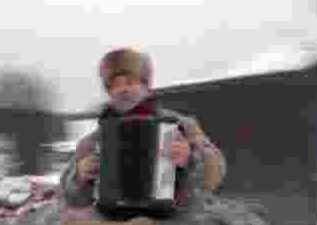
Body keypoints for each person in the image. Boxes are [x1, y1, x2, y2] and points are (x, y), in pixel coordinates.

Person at [60, 47, 226, 211]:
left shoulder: (180, 125)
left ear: (145, 87)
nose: (123, 89)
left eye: (130, 82)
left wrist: (191, 158)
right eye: (115, 85)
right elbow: (68, 195)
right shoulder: (92, 141)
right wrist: (80, 176)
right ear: (109, 93)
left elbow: (216, 172)